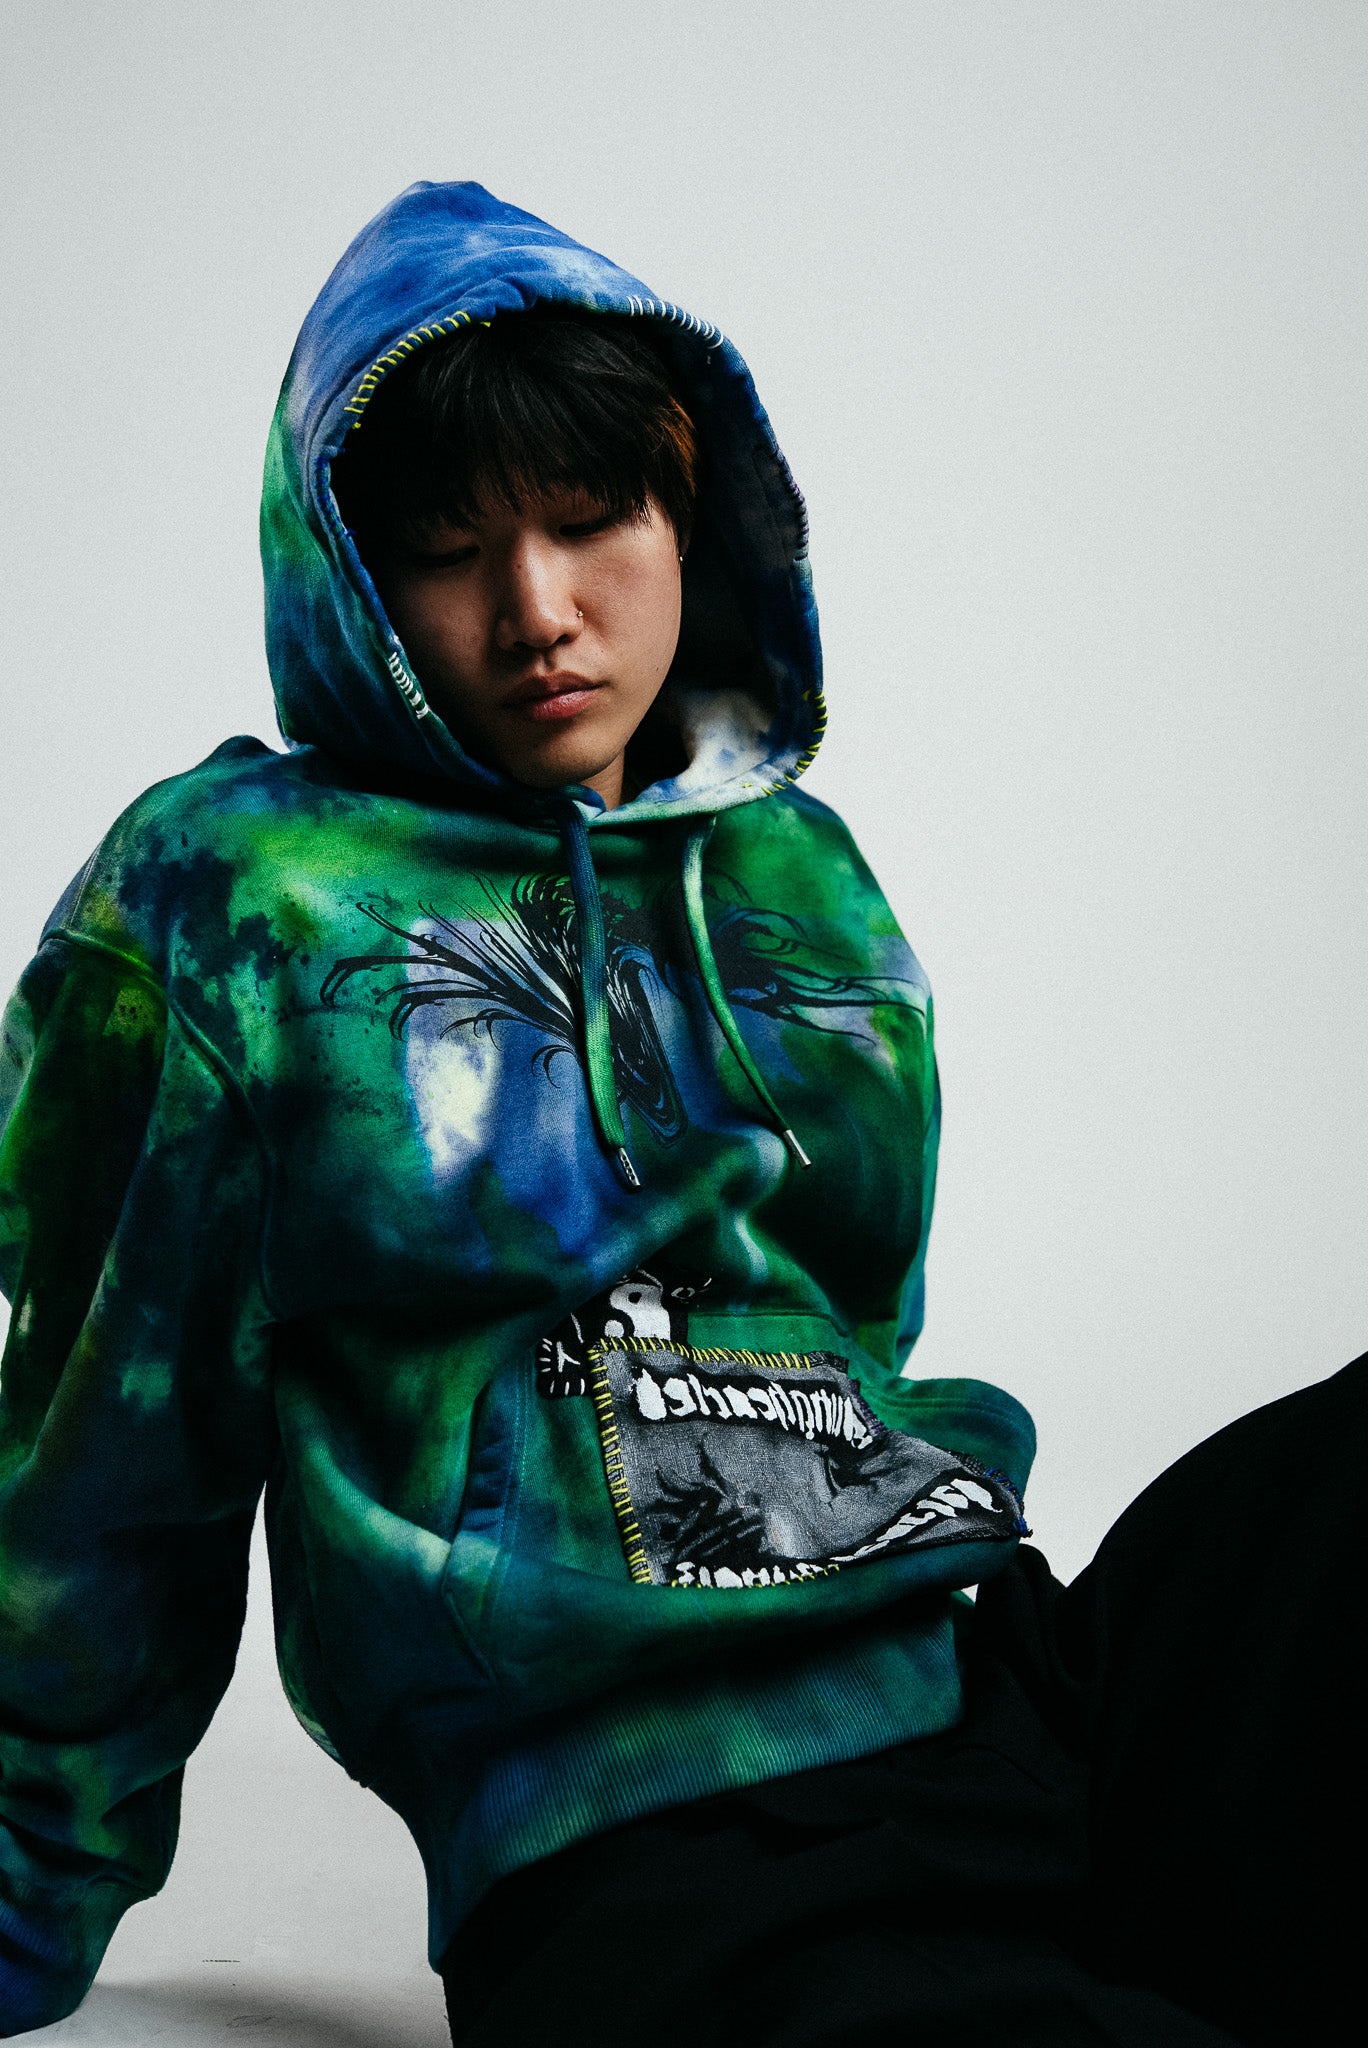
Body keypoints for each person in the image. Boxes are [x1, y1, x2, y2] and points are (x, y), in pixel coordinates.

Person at [0, 180, 1358, 2047]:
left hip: (1003, 1680)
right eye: (449, 551)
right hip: (651, 1839)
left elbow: (860, 1329)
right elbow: (100, 1469)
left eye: (590, 521)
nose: (537, 612)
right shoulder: (233, 897)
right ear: (346, 576)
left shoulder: (800, 874)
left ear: (684, 513)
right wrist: (22, 1890)